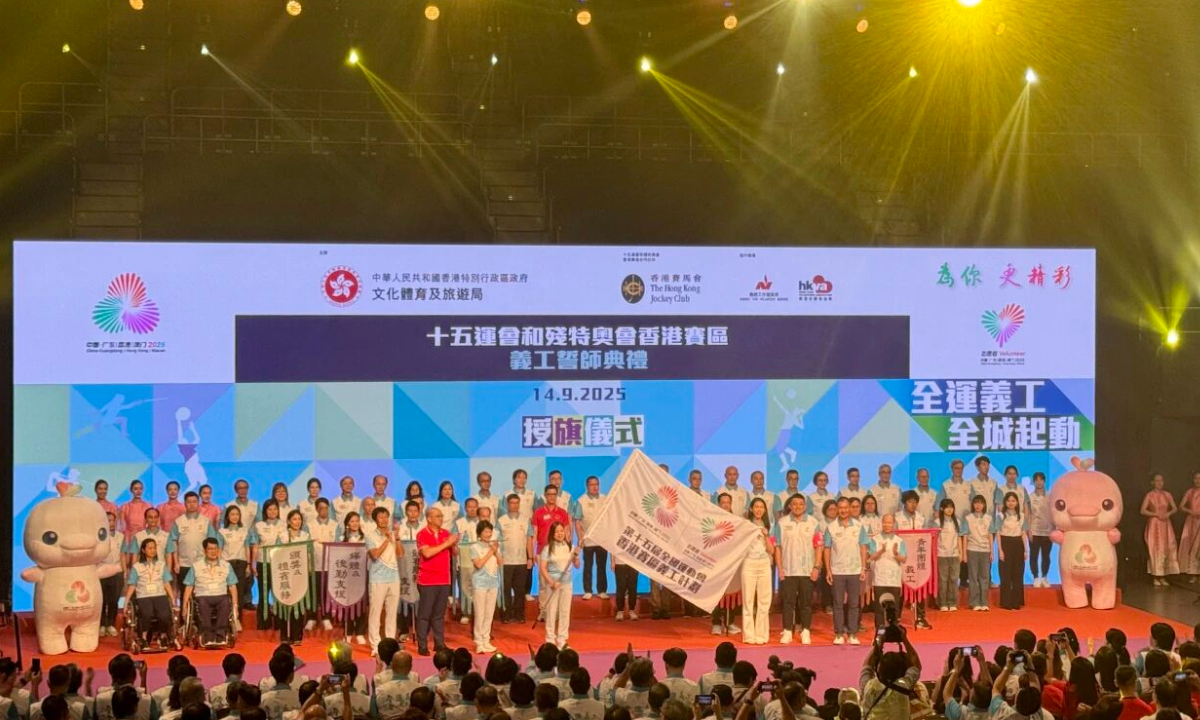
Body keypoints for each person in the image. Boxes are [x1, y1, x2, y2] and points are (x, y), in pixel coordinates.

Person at [774, 493, 823, 645]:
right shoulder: (782, 523)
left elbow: (819, 547)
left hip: (807, 570)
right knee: (788, 602)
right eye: (794, 504)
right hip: (788, 570)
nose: (797, 507)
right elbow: (778, 548)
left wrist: (816, 567)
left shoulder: (813, 523)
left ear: (805, 506)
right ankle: (788, 631)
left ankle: (806, 631)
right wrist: (780, 569)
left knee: (806, 603)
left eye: (801, 504)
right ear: (790, 506)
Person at [824, 497, 869, 645]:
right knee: (837, 604)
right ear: (837, 509)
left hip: (855, 570)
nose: (843, 510)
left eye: (846, 507)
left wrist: (863, 567)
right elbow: (827, 549)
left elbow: (863, 547)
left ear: (850, 508)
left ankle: (852, 634)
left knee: (854, 603)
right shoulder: (831, 527)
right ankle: (838, 634)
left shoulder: (858, 526)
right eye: (840, 507)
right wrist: (828, 570)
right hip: (837, 571)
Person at [415, 506, 459, 655]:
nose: (441, 518)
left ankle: (439, 644)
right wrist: (447, 543)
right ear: (429, 518)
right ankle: (422, 645)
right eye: (438, 516)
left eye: (441, 516)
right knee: (425, 614)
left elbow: (454, 553)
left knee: (439, 615)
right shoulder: (422, 534)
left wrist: (454, 544)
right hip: (427, 580)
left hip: (443, 579)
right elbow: (427, 553)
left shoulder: (446, 533)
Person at [182, 537, 239, 644]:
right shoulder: (196, 566)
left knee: (226, 602)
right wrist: (184, 605)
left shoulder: (226, 565)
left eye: (216, 549)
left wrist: (236, 605)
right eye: (210, 549)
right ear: (204, 551)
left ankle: (220, 635)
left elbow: (232, 586)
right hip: (203, 596)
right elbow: (189, 586)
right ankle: (207, 636)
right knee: (203, 604)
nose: (213, 552)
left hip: (221, 595)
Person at [858, 625, 922, 720]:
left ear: (879, 668)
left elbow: (867, 667)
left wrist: (879, 642)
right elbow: (916, 664)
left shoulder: (869, 686)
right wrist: (905, 639)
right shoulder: (904, 685)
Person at [125, 537, 177, 647]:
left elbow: (166, 582)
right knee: (146, 614)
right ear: (143, 550)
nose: (153, 550)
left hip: (159, 594)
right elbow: (132, 585)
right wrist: (126, 602)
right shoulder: (137, 567)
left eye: (154, 548)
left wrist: (172, 598)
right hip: (143, 596)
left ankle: (162, 636)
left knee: (165, 615)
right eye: (150, 548)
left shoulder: (161, 565)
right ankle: (143, 637)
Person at [539, 521, 581, 648]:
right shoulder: (547, 549)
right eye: (557, 531)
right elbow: (543, 568)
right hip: (552, 585)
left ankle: (562, 639)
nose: (559, 534)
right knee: (551, 612)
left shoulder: (570, 547)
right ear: (552, 533)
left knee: (564, 611)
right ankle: (550, 639)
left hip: (567, 584)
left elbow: (577, 566)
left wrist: (577, 556)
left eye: (561, 531)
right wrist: (551, 582)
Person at [365, 506, 400, 653]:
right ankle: (375, 645)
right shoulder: (370, 536)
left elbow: (400, 553)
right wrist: (387, 539)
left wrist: (396, 539)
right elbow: (375, 555)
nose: (384, 520)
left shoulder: (392, 534)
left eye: (386, 516)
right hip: (378, 579)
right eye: (381, 517)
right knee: (375, 612)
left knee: (392, 613)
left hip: (394, 578)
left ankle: (390, 642)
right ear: (375, 519)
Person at [742, 497, 775, 645]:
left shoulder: (769, 526)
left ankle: (761, 635)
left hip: (764, 564)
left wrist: (766, 536)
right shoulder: (745, 525)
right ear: (751, 509)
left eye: (762, 507)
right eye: (756, 507)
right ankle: (749, 635)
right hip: (749, 563)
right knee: (748, 600)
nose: (759, 509)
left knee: (764, 601)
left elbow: (772, 550)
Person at [250, 499, 288, 627]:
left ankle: (279, 622)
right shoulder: (258, 525)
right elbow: (255, 546)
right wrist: (253, 564)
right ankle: (263, 622)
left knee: (278, 593)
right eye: (269, 509)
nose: (272, 512)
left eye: (275, 509)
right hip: (263, 562)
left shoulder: (283, 525)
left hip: (279, 563)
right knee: (263, 593)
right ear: (265, 511)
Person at [335, 511, 368, 645]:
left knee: (361, 603)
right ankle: (348, 632)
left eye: (357, 521)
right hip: (347, 576)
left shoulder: (365, 538)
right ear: (347, 523)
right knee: (348, 603)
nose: (355, 523)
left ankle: (360, 632)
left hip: (362, 574)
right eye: (352, 521)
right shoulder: (342, 538)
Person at [278, 509, 311, 644]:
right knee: (285, 603)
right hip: (285, 574)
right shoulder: (282, 536)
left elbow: (309, 553)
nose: (297, 522)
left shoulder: (305, 535)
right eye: (294, 519)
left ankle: (297, 635)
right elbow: (277, 553)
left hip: (300, 574)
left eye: (299, 519)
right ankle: (284, 635)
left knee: (299, 604)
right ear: (288, 521)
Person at [498, 494, 532, 623]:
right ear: (507, 504)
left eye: (517, 503)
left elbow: (529, 539)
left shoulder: (525, 519)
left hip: (521, 560)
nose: (514, 505)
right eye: (512, 503)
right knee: (505, 589)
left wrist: (530, 557)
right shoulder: (501, 521)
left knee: (520, 589)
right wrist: (498, 557)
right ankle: (506, 615)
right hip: (505, 561)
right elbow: (497, 540)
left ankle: (519, 614)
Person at [574, 476, 609, 600]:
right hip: (587, 539)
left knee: (602, 566)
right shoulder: (581, 501)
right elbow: (577, 521)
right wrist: (580, 538)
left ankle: (602, 590)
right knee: (588, 565)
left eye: (597, 484)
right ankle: (588, 590)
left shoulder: (605, 499)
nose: (594, 487)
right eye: (591, 484)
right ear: (587, 486)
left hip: (602, 539)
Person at [1142, 473, 1181, 585]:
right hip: (1154, 523)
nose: (1159, 483)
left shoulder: (1167, 494)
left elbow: (1175, 508)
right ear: (1152, 482)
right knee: (1155, 548)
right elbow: (1143, 510)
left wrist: (1168, 513)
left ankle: (1163, 575)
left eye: (1161, 481)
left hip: (1165, 524)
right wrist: (1155, 514)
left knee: (1166, 547)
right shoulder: (1149, 495)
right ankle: (1155, 576)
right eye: (1157, 481)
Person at [990, 651, 1052, 720]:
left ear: (1017, 698)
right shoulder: (1036, 714)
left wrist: (1008, 666)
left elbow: (996, 688)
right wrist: (1030, 665)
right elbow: (1035, 684)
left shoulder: (1003, 714)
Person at [868, 514, 905, 631]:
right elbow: (871, 557)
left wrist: (895, 553)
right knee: (879, 609)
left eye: (889, 523)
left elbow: (904, 559)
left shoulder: (899, 541)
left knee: (894, 608)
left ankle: (893, 630)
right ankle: (879, 631)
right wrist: (881, 551)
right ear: (881, 523)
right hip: (879, 579)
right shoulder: (875, 539)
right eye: (885, 522)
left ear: (893, 524)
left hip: (894, 580)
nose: (887, 525)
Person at [470, 520, 501, 653]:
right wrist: (490, 552)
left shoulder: (493, 546)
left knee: (489, 613)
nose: (488, 534)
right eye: (486, 532)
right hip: (480, 584)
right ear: (479, 533)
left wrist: (496, 551)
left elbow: (500, 562)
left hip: (493, 583)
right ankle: (478, 642)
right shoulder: (474, 547)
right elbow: (478, 564)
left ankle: (486, 639)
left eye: (490, 532)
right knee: (480, 613)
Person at [961, 495, 996, 611]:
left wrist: (992, 551)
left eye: (981, 503)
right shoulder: (968, 518)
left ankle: (984, 601)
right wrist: (964, 553)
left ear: (984, 505)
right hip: (972, 549)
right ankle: (974, 602)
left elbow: (991, 535)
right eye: (976, 503)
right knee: (973, 577)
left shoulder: (989, 518)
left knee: (984, 577)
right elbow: (965, 536)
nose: (978, 505)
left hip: (985, 550)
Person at [307, 498, 337, 631]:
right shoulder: (309, 525)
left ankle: (326, 618)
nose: (323, 510)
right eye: (320, 508)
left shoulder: (335, 525)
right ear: (316, 509)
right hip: (313, 565)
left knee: (327, 593)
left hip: (329, 565)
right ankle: (311, 618)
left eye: (326, 508)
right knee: (313, 592)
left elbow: (338, 545)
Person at [217, 505, 252, 620]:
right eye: (232, 514)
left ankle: (238, 619)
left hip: (241, 564)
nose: (235, 517)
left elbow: (247, 548)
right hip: (227, 564)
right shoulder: (222, 532)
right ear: (227, 516)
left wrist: (248, 565)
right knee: (227, 592)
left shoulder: (244, 531)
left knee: (239, 592)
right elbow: (220, 550)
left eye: (237, 514)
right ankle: (226, 618)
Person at [996, 491, 1028, 610]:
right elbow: (998, 533)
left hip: (1018, 544)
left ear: (1017, 502)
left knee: (1018, 574)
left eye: (1013, 501)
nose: (1011, 503)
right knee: (1005, 575)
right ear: (1005, 502)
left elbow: (1024, 533)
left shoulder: (1021, 516)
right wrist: (1000, 550)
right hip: (1005, 543)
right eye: (1008, 500)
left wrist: (1026, 550)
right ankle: (1006, 602)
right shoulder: (1000, 516)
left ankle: (1016, 601)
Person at [935, 499, 965, 612]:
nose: (949, 509)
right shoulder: (937, 522)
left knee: (954, 578)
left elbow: (959, 538)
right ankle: (942, 602)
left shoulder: (957, 521)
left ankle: (952, 602)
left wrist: (961, 553)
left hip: (954, 554)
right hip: (941, 555)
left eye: (951, 507)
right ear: (942, 509)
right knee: (943, 579)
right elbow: (934, 540)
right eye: (947, 507)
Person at [1026, 473, 1054, 588]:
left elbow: (1053, 513)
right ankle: (1036, 577)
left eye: (1041, 480)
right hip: (1035, 530)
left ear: (1044, 481)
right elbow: (1027, 515)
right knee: (1034, 555)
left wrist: (1054, 529)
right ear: (1033, 482)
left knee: (1046, 555)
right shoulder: (1030, 497)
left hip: (1048, 530)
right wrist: (1029, 530)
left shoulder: (1050, 496)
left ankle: (1044, 577)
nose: (1039, 482)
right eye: (1036, 480)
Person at [100, 512, 123, 637]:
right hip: (102, 571)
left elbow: (124, 555)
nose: (111, 523)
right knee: (102, 599)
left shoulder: (121, 537)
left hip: (117, 570)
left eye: (113, 520)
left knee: (114, 600)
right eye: (108, 520)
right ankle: (102, 624)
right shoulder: (100, 537)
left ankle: (111, 624)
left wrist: (125, 570)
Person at [1178, 472, 1200, 583]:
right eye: (1196, 478)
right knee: (1191, 545)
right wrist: (1190, 511)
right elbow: (1181, 506)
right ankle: (1194, 573)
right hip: (1191, 521)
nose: (1197, 480)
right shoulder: (1189, 492)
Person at [612, 541, 640, 621]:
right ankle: (620, 611)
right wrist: (613, 561)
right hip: (620, 562)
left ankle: (632, 610)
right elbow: (612, 547)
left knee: (632, 587)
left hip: (633, 563)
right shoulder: (616, 532)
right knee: (621, 587)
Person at [121, 479, 153, 544]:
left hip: (144, 538)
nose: (138, 491)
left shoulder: (148, 506)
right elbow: (122, 527)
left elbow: (152, 524)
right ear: (131, 490)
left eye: (140, 489)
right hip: (129, 539)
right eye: (135, 489)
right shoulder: (125, 507)